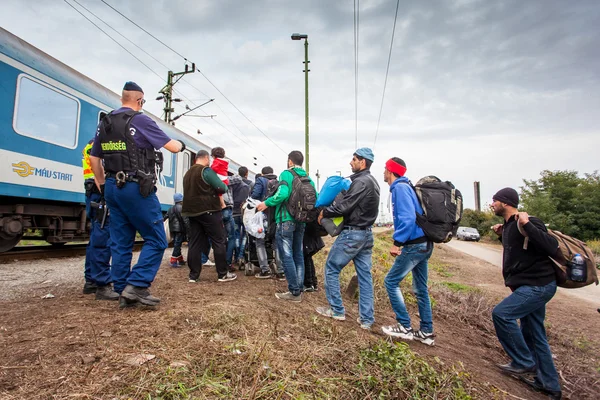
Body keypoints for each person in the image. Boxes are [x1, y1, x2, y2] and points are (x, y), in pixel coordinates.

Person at [89, 81, 185, 308]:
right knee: (156, 238)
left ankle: (123, 290)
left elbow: (95, 158)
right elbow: (172, 147)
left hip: (112, 186)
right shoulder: (140, 119)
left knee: (121, 242)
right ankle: (138, 285)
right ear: (139, 100)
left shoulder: (106, 122)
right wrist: (180, 145)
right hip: (135, 186)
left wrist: (103, 184)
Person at [490, 188, 561, 399]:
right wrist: (501, 235)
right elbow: (520, 252)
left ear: (505, 202)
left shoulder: (528, 221)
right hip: (527, 285)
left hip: (538, 286)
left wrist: (527, 224)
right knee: (534, 333)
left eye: (495, 201)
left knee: (502, 314)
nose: (492, 204)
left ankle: (523, 361)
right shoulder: (510, 226)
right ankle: (549, 385)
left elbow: (551, 246)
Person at [315, 148, 379, 329]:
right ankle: (366, 319)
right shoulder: (373, 182)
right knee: (365, 276)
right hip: (366, 234)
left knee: (331, 267)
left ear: (363, 162)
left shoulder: (361, 182)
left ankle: (336, 310)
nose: (351, 163)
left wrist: (324, 212)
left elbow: (345, 206)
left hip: (353, 234)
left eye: (354, 159)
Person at [380, 158, 435, 344]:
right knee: (420, 289)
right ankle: (426, 331)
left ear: (390, 171)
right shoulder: (406, 187)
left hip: (415, 245)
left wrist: (397, 242)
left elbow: (408, 218)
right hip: (424, 244)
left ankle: (404, 326)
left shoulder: (400, 188)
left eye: (385, 169)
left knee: (390, 281)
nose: (384, 172)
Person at [257, 151, 315, 301]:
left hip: (286, 219)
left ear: (290, 161)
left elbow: (282, 194)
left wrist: (266, 203)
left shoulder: (286, 174)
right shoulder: (308, 179)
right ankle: (299, 288)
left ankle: (294, 291)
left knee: (286, 255)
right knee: (298, 254)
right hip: (301, 220)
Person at [182, 150, 237, 283]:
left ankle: (193, 275)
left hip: (191, 212)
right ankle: (222, 273)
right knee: (219, 240)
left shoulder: (187, 173)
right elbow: (221, 187)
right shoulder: (206, 171)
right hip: (209, 210)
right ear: (206, 158)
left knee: (194, 243)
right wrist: (222, 184)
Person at [82, 139, 118, 300]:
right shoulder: (98, 145)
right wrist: (106, 194)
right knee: (102, 237)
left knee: (96, 236)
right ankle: (101, 282)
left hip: (92, 191)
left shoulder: (89, 145)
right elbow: (98, 171)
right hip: (99, 191)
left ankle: (91, 280)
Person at [250, 166, 284, 279]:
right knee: (276, 243)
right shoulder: (278, 182)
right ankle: (280, 270)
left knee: (260, 242)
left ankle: (265, 270)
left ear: (262, 173)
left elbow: (254, 195)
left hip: (263, 216)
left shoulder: (260, 180)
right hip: (275, 217)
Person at [231, 167, 250, 268]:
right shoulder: (248, 185)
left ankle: (236, 255)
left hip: (234, 213)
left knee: (236, 235)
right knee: (244, 236)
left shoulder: (233, 184)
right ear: (246, 174)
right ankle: (241, 256)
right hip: (244, 213)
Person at [165, 193, 187, 267]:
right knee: (177, 244)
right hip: (179, 229)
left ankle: (180, 260)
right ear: (181, 199)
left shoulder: (170, 208)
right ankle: (173, 260)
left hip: (172, 229)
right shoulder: (182, 208)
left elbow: (165, 217)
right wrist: (189, 230)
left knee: (177, 243)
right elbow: (185, 220)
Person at [303, 221, 325, 291]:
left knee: (306, 258)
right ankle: (313, 283)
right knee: (308, 258)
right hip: (313, 237)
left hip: (309, 237)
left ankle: (308, 284)